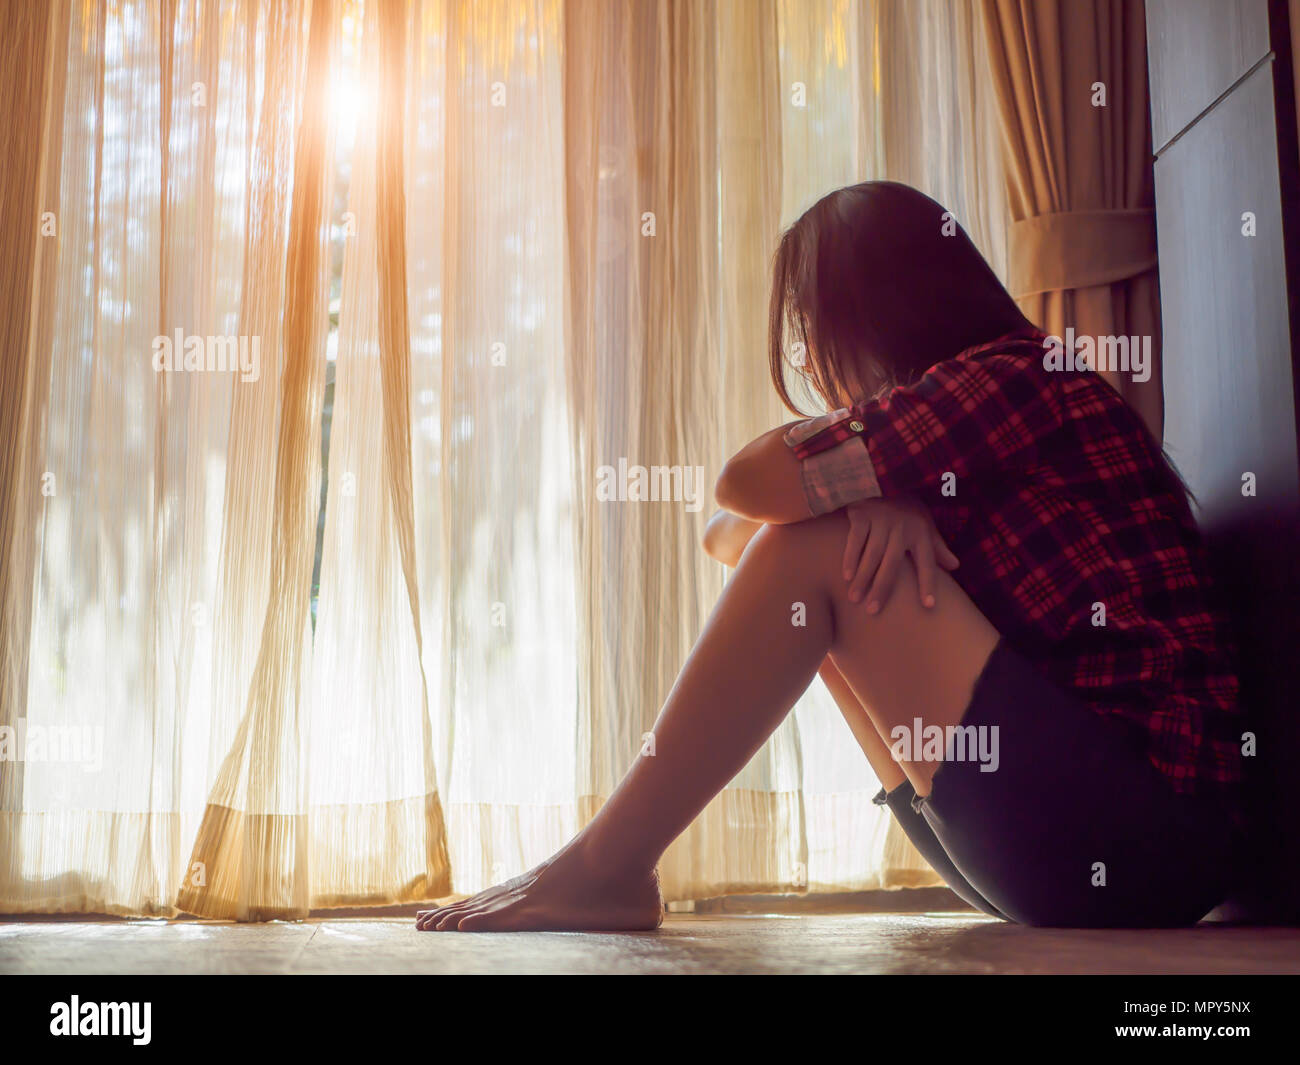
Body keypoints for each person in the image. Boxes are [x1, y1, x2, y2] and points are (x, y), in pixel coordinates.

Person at [416, 181, 1242, 932]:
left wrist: (854, 503)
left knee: (826, 547)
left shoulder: (1014, 378)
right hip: (1061, 840)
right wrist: (873, 499)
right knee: (823, 550)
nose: (811, 364)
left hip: (1142, 830)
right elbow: (733, 532)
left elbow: (746, 481)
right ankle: (606, 862)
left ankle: (607, 863)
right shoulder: (951, 420)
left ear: (880, 308)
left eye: (812, 331)